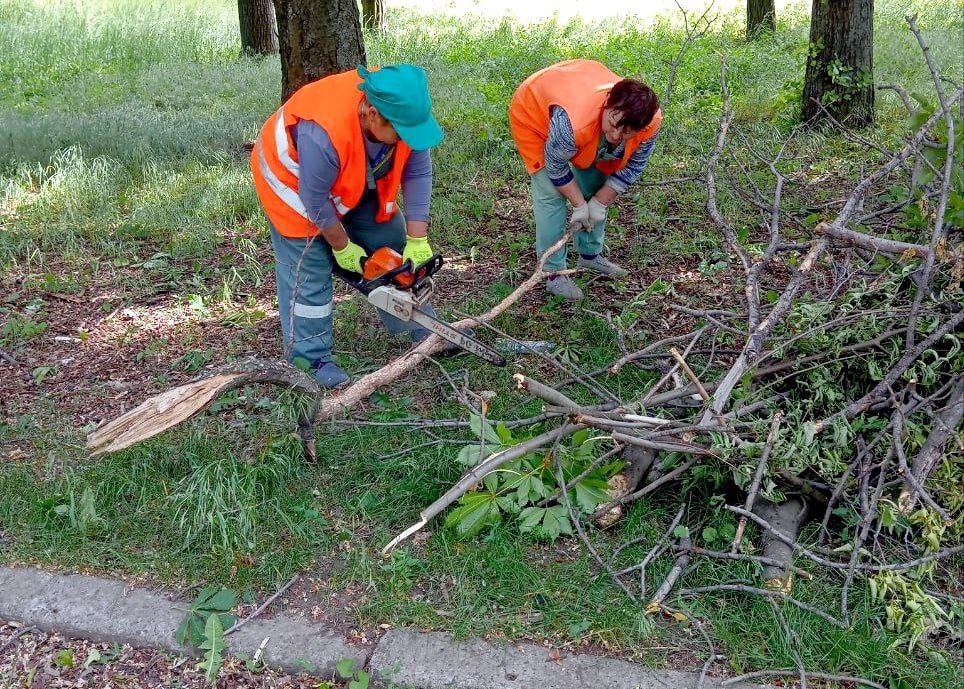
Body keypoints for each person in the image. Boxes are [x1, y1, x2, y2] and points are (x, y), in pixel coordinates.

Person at [250, 64, 444, 388]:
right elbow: (313, 198)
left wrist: (417, 239)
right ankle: (309, 359)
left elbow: (418, 173)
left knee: (390, 242)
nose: (407, 139)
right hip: (292, 183)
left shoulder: (403, 108)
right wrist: (341, 245)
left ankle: (419, 326)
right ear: (372, 114)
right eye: (400, 132)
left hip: (349, 177)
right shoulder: (324, 132)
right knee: (309, 267)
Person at [509, 59, 662, 300]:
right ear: (608, 105)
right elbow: (556, 168)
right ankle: (553, 273)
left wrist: (598, 203)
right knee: (551, 193)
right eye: (612, 125)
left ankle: (589, 256)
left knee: (596, 177)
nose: (615, 136)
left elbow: (633, 167)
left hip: (579, 99)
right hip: (534, 111)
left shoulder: (649, 121)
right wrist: (580, 205)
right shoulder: (572, 124)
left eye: (627, 132)